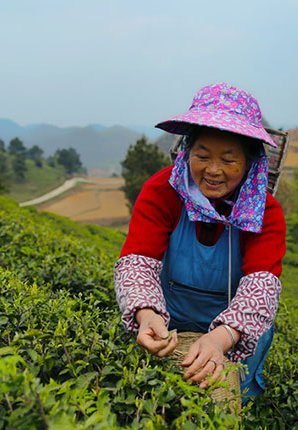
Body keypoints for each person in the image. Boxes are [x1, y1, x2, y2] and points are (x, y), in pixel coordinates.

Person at [114, 82, 286, 399]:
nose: (214, 170)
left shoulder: (266, 213)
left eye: (229, 159)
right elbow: (138, 261)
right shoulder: (162, 191)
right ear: (187, 151)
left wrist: (220, 338)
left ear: (249, 162)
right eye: (202, 156)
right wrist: (147, 314)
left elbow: (261, 286)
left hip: (233, 330)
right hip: (170, 321)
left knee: (224, 397)